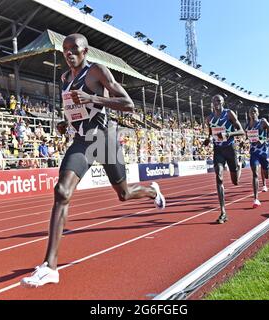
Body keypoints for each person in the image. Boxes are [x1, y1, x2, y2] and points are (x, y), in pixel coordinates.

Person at [21, 33, 166, 288]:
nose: (69, 53)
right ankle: (50, 266)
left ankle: (152, 192)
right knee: (62, 191)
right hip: (81, 141)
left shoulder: (97, 71)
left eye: (74, 49)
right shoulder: (65, 79)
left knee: (123, 194)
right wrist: (65, 123)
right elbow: (73, 111)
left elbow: (128, 104)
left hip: (104, 139)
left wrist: (94, 98)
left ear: (85, 51)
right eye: (65, 49)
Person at [203, 94, 245, 224]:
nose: (217, 102)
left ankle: (239, 165)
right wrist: (208, 139)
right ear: (212, 102)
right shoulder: (209, 118)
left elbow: (242, 131)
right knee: (219, 177)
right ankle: (223, 212)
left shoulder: (229, 114)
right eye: (215, 100)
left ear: (223, 102)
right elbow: (211, 133)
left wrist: (228, 133)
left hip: (230, 148)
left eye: (219, 101)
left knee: (235, 181)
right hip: (218, 150)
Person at [245, 106, 269, 208]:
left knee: (266, 175)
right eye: (251, 112)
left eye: (254, 111)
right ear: (249, 114)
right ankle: (256, 199)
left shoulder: (263, 122)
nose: (252, 113)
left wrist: (264, 140)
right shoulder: (248, 125)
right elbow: (247, 138)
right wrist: (243, 142)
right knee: (255, 174)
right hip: (254, 152)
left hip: (264, 152)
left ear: (258, 113)